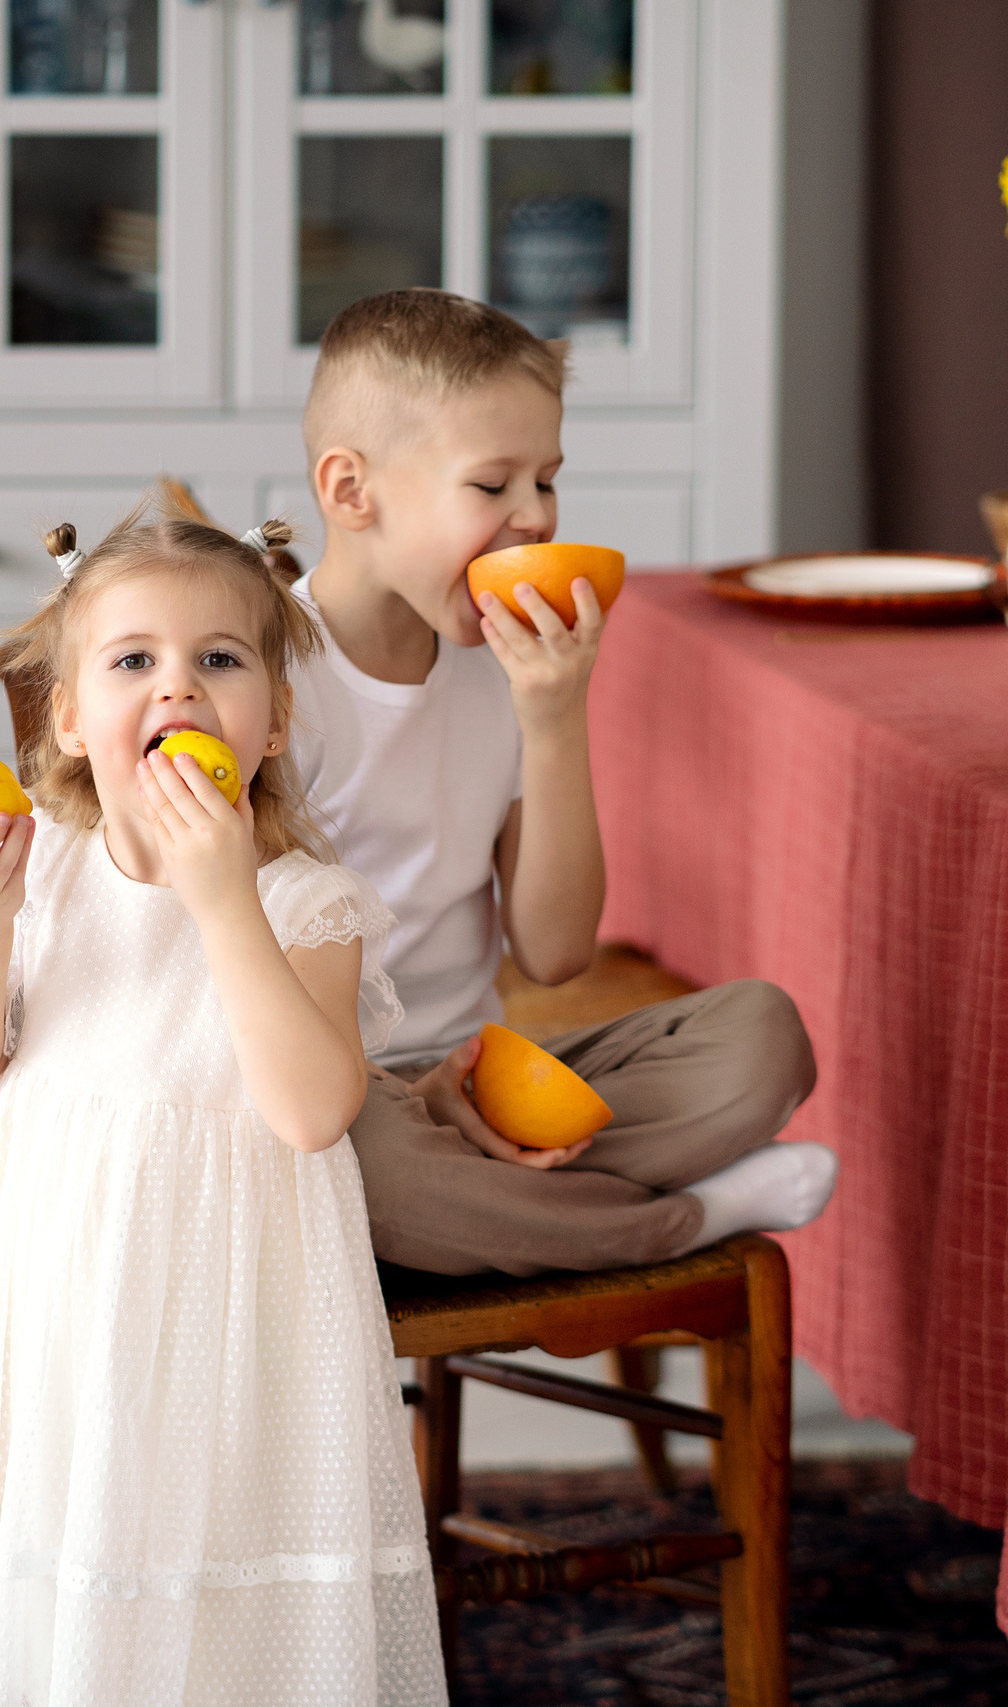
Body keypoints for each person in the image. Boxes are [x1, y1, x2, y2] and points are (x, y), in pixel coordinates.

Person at [0, 503, 444, 1706]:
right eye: (133, 660)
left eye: (219, 661)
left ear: (275, 719)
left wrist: (222, 898)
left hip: (228, 1336)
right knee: (63, 1585)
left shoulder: (304, 903)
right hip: (54, 1319)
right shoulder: (38, 870)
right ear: (73, 719)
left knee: (213, 1605)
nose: (177, 688)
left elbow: (309, 1111)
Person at [292, 288, 835, 1277]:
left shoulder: (498, 672)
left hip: (480, 1071)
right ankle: (676, 1222)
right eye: (492, 484)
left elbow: (552, 953)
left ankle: (503, 1211)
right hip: (334, 1094)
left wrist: (552, 716)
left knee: (761, 1038)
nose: (535, 516)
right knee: (356, 1165)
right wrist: (406, 1100)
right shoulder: (262, 677)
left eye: (546, 481)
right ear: (350, 491)